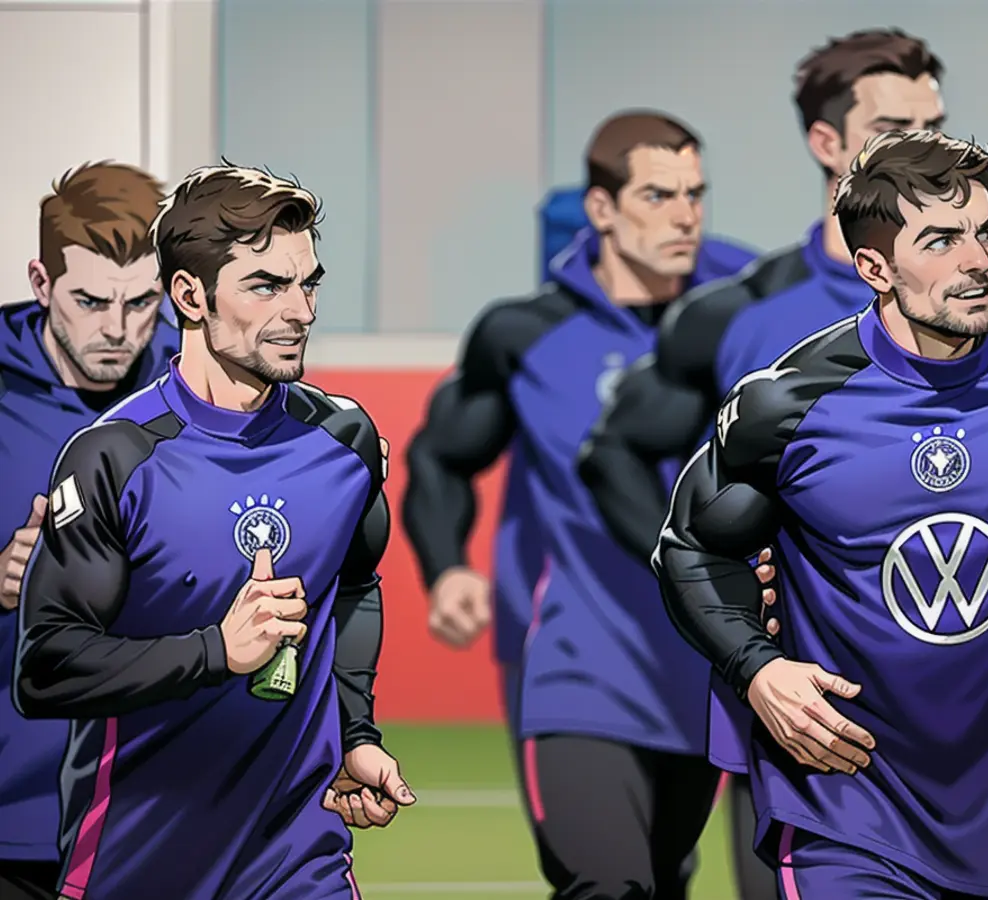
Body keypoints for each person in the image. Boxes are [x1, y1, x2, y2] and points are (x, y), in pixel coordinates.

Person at [652, 129, 988, 900]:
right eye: (941, 240)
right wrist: (759, 669)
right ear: (874, 266)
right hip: (843, 805)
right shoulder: (788, 406)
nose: (977, 260)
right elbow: (689, 551)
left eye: (985, 232)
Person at [576, 35, 988, 894]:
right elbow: (617, 458)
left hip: (971, 735)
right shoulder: (738, 317)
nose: (923, 146)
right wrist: (739, 597)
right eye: (896, 126)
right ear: (830, 146)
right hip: (804, 708)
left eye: (935, 124)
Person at [13, 163, 414, 900]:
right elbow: (47, 668)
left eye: (308, 284)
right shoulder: (115, 457)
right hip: (138, 861)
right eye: (266, 286)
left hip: (300, 859)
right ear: (191, 296)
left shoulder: (345, 442)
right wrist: (216, 651)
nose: (300, 311)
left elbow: (355, 587)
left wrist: (355, 734)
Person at [400, 110, 755, 899]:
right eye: (658, 195)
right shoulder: (524, 335)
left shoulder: (741, 324)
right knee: (603, 884)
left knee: (661, 879)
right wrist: (448, 567)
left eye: (695, 195)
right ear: (602, 210)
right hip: (576, 662)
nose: (685, 216)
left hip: (708, 668)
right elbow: (441, 457)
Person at [0, 161, 179, 900]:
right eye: (90, 300)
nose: (117, 328)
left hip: (161, 816)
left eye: (141, 302)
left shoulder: (205, 386)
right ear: (42, 284)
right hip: (16, 817)